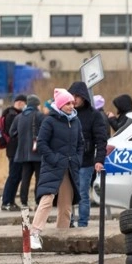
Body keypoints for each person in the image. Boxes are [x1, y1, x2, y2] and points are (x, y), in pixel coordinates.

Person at [29, 89, 83, 250]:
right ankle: (34, 233)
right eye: (68, 103)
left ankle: (62, 238)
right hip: (52, 166)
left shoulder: (76, 121)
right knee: (46, 199)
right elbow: (42, 144)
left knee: (66, 205)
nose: (71, 106)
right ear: (60, 104)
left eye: (72, 102)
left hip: (69, 167)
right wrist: (54, 158)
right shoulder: (49, 121)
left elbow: (81, 143)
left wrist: (77, 159)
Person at [68, 81, 108, 227]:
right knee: (68, 195)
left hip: (86, 162)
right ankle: (69, 221)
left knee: (83, 194)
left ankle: (83, 223)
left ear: (84, 97)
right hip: (68, 161)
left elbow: (101, 140)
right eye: (72, 95)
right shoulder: (67, 113)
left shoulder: (94, 115)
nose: (75, 99)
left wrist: (99, 160)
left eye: (78, 96)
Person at [8, 94, 44, 211]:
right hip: (37, 153)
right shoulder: (40, 116)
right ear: (36, 105)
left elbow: (11, 132)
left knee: (25, 179)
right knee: (39, 179)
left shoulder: (19, 117)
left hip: (23, 154)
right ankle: (38, 202)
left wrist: (21, 137)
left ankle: (24, 203)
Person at [0, 94, 26, 212]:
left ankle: (10, 201)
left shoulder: (12, 114)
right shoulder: (12, 115)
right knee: (14, 176)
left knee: (16, 176)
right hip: (14, 151)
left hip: (14, 151)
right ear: (20, 103)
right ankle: (6, 202)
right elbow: (14, 134)